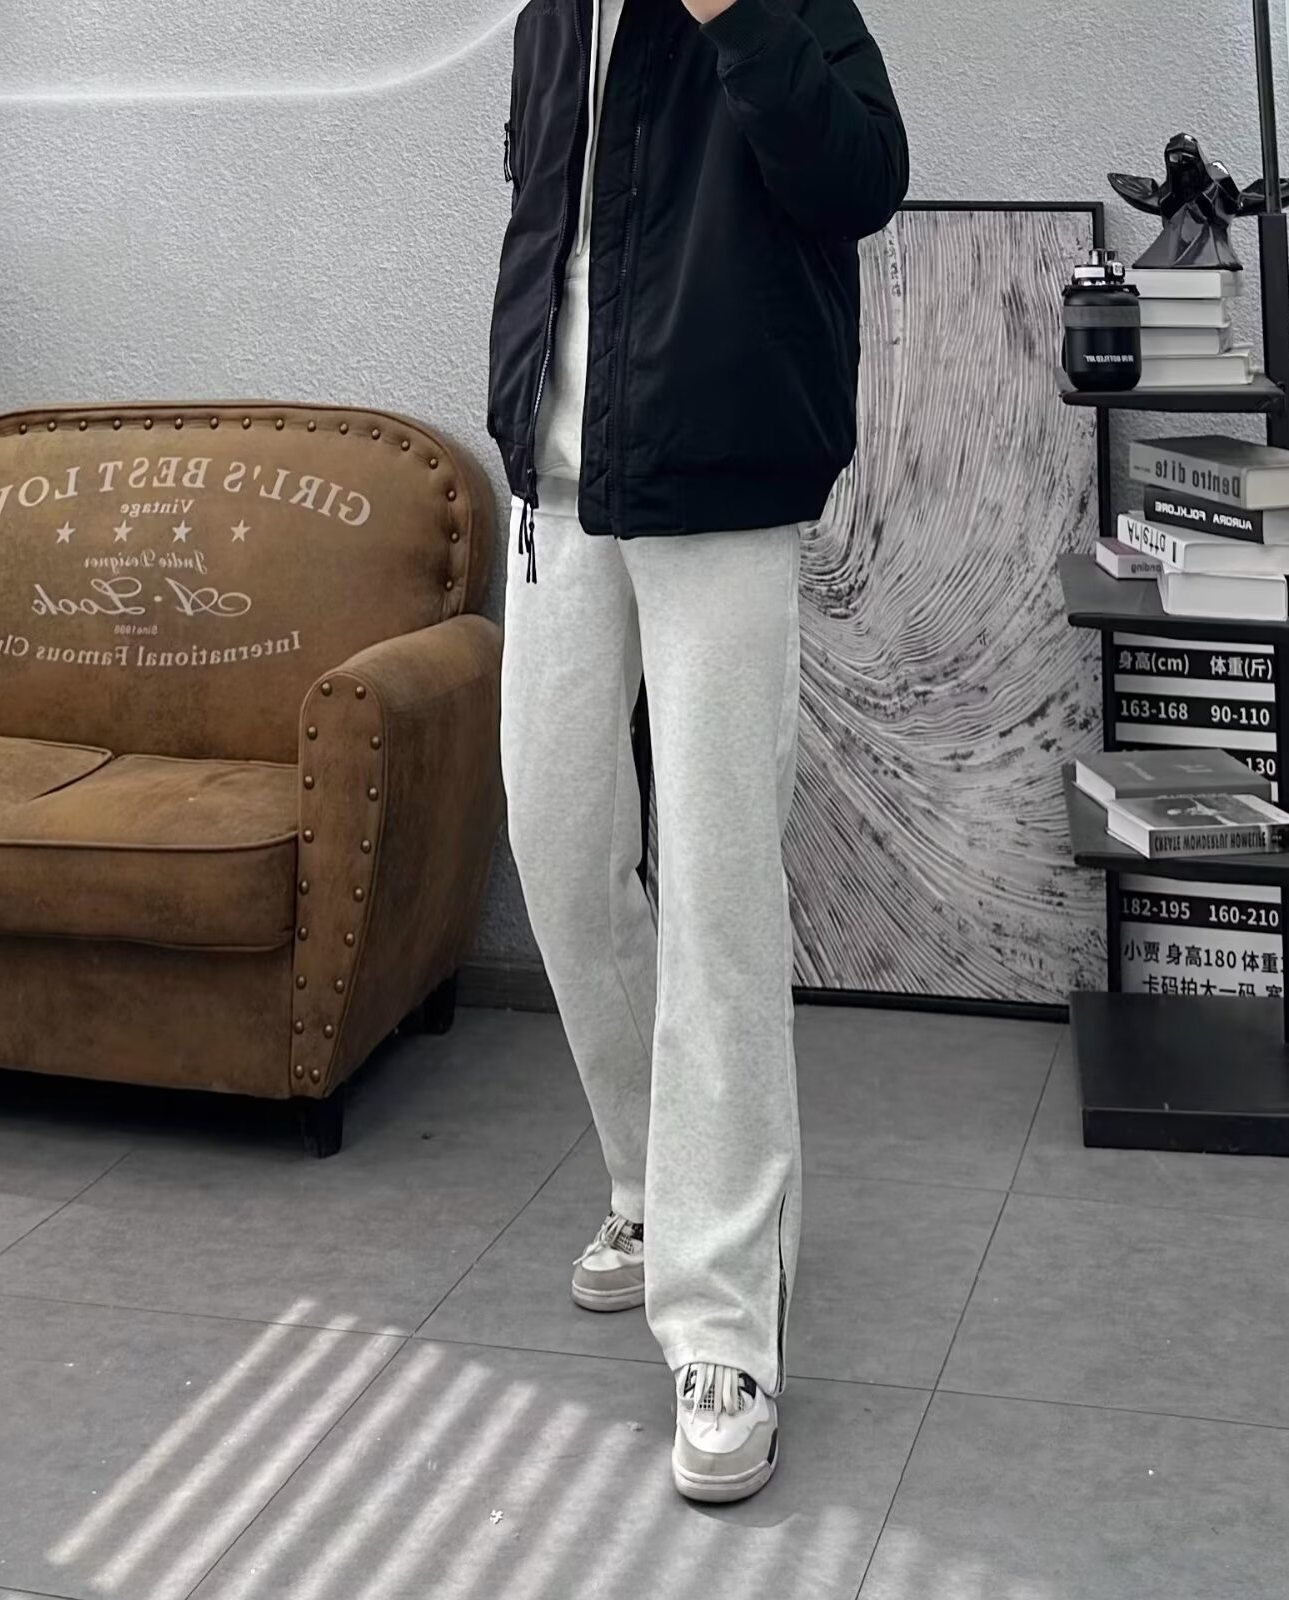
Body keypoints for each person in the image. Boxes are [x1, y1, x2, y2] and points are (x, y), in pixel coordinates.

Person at [487, 0, 908, 1503]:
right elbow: (544, 216)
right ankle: (651, 1185)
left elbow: (860, 177)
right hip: (556, 490)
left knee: (720, 892)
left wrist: (739, 20)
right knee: (557, 848)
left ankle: (726, 1319)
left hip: (720, 488)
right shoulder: (548, 19)